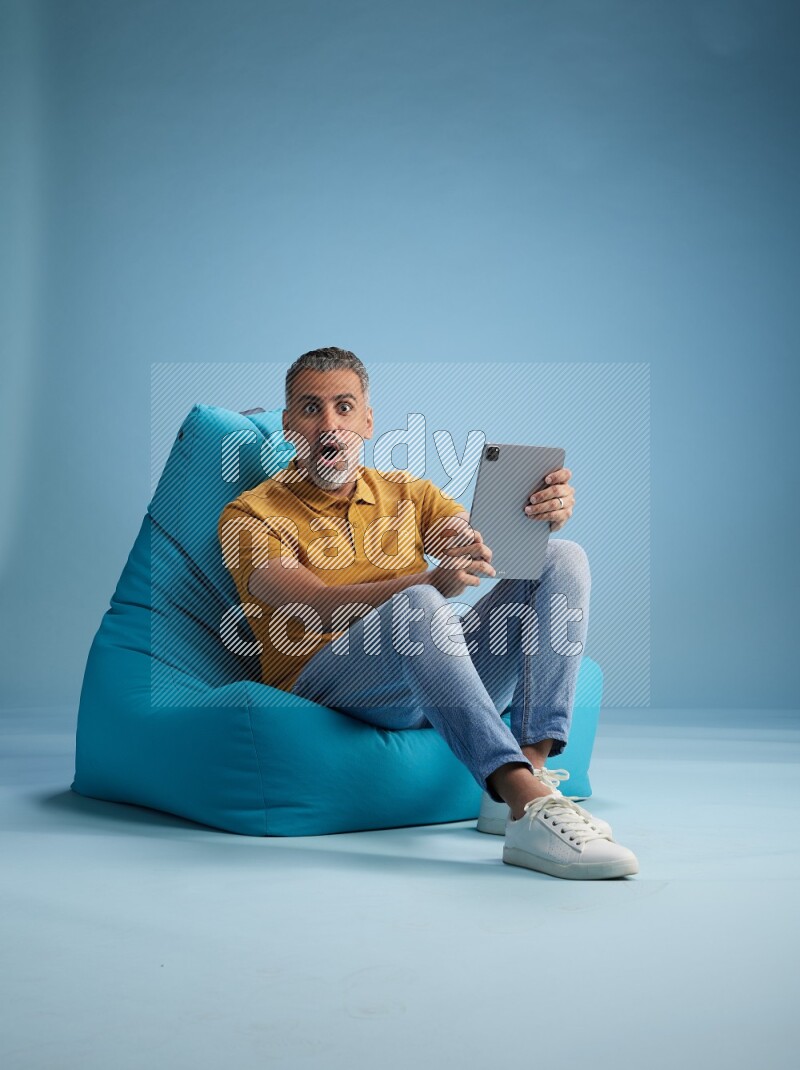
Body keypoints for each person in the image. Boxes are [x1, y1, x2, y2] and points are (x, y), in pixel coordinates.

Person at [218, 347, 639, 880]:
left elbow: (473, 544)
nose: (330, 425)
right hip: (333, 683)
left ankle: (528, 781)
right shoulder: (250, 512)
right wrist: (429, 582)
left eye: (344, 407)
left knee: (563, 557)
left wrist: (535, 523)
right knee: (419, 604)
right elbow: (307, 601)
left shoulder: (407, 494)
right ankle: (523, 797)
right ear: (288, 425)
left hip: (430, 669)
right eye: (310, 408)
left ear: (368, 420)